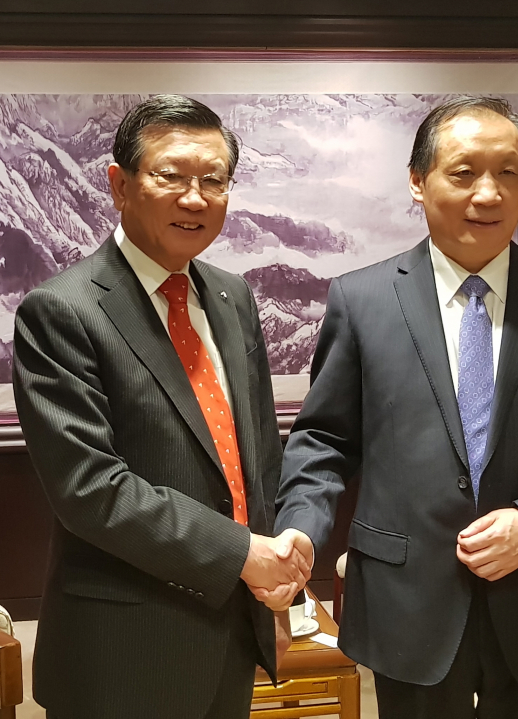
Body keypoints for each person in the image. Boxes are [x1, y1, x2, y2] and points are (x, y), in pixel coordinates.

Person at [272, 96, 518, 718]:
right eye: (464, 172)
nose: (489, 193)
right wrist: (300, 531)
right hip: (406, 603)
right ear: (418, 182)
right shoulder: (361, 300)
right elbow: (325, 440)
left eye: (508, 173)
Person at [13, 94, 311, 719]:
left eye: (214, 181)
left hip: (233, 631)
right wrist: (243, 555)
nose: (195, 198)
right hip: (123, 651)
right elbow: (91, 489)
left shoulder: (231, 297)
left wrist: (276, 594)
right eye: (171, 176)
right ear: (119, 185)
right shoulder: (62, 310)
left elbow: (257, 455)